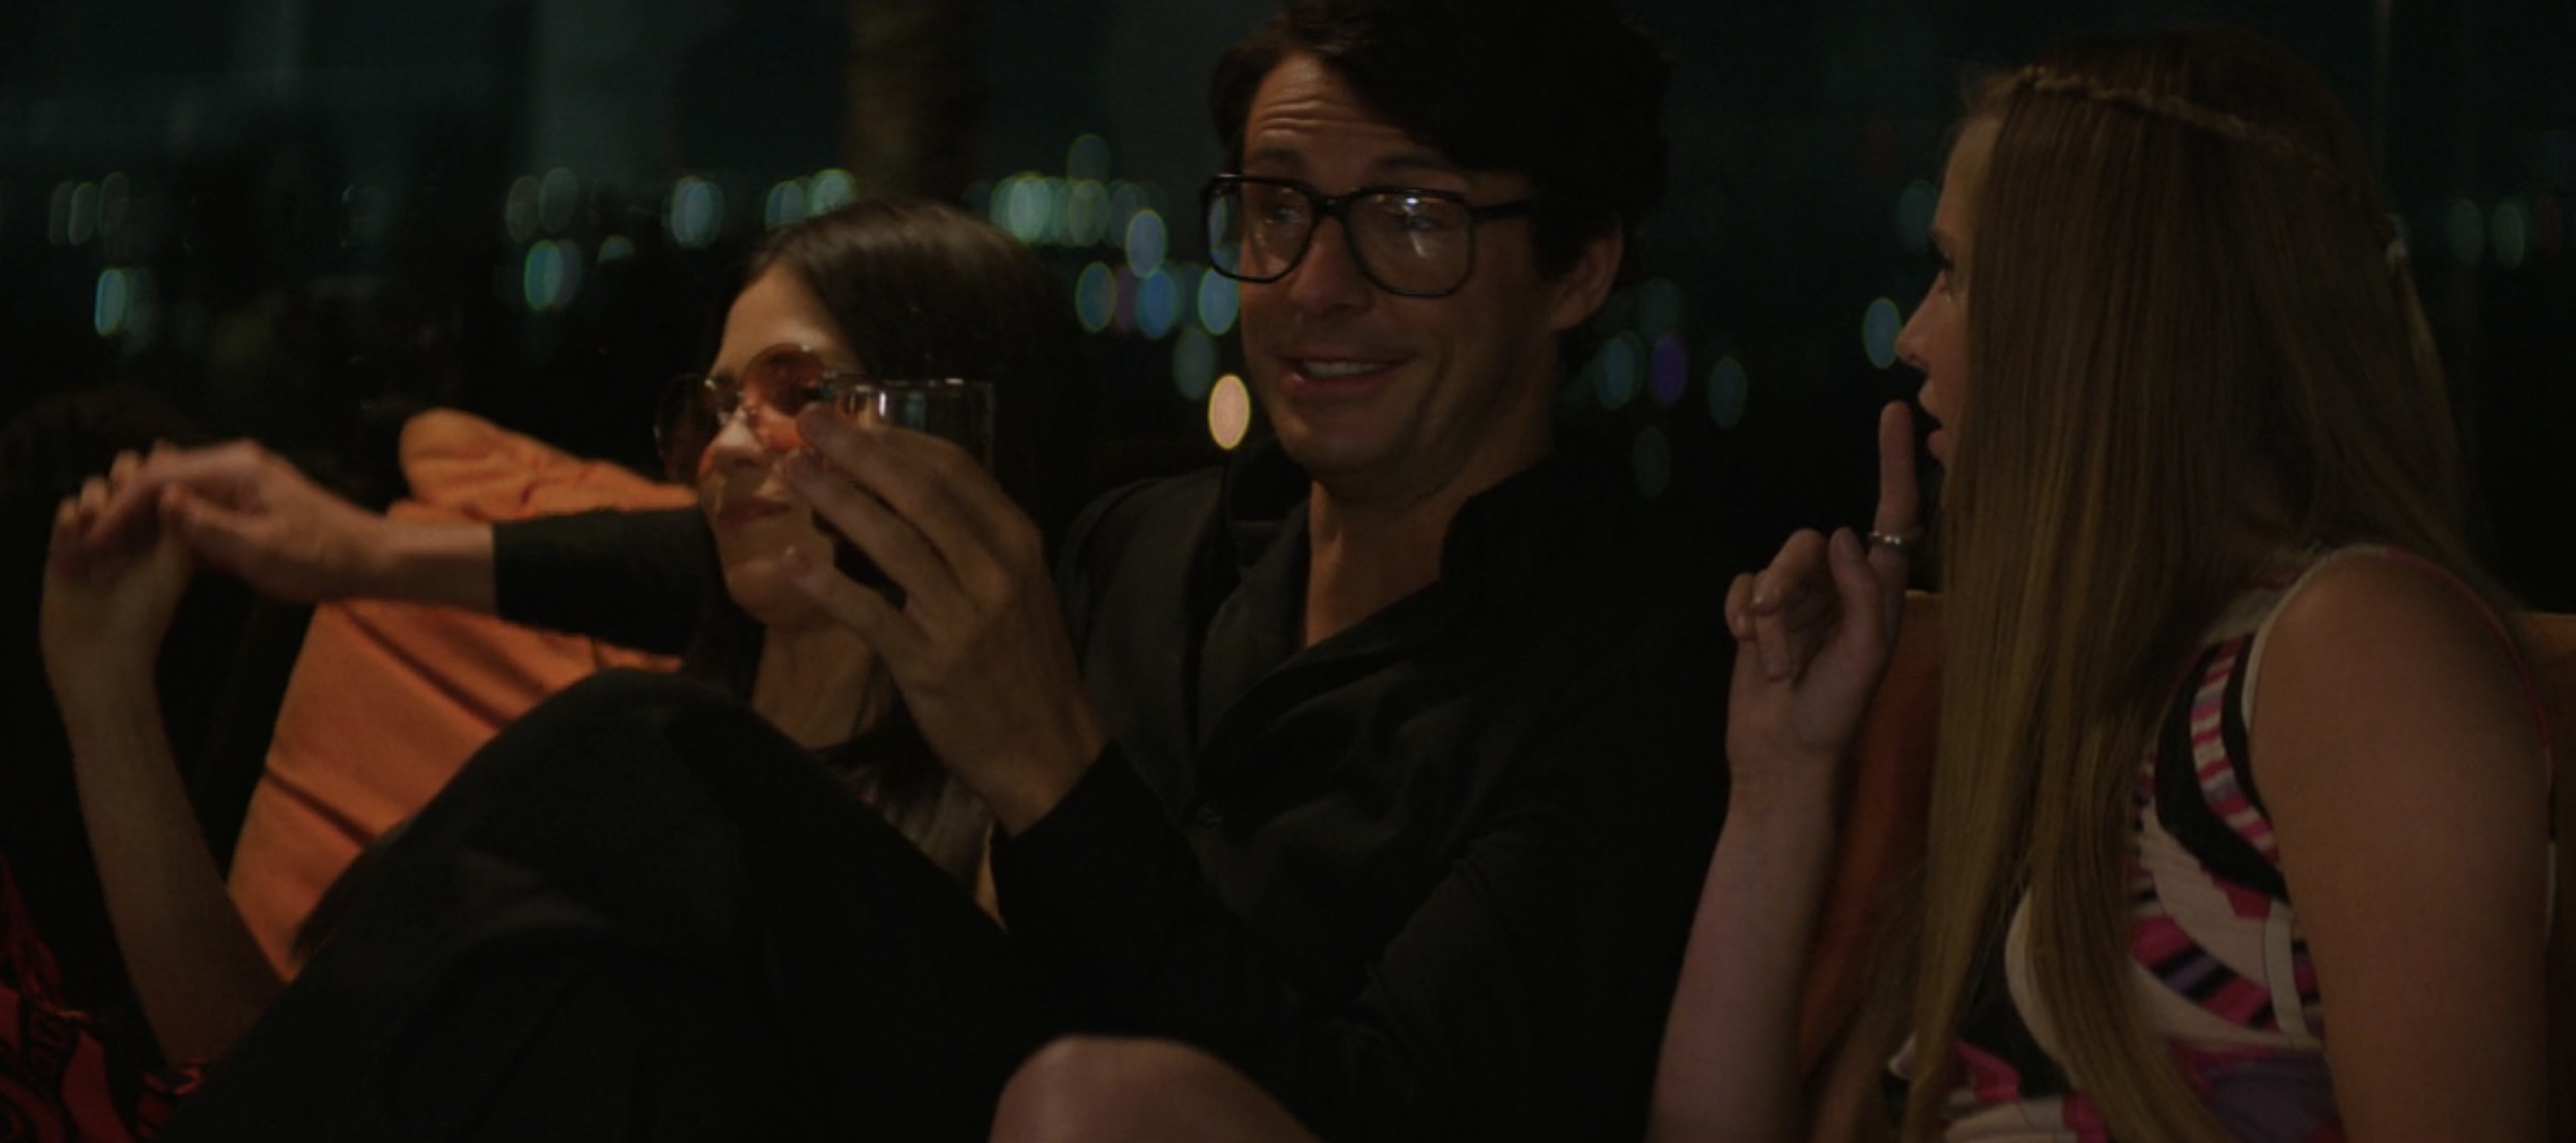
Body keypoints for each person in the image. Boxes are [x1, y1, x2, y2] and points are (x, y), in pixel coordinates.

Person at [68, 1, 1729, 1139]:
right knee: (605, 1011)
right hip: (921, 1073)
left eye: (1412, 217)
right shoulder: (1157, 544)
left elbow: (1379, 1111)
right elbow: (739, 544)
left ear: (1577, 267)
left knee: (646, 755)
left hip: (1122, 1108)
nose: (1314, 283)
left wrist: (1051, 773)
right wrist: (366, 551)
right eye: (1275, 211)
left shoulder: (1628, 667)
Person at [1649, 27, 2552, 1143]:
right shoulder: (2080, 691)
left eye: (1957, 274)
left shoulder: (2352, 651)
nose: (1916, 334)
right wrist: (1779, 776)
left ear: (2093, 319)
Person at [33, 198, 1075, 1073]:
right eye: (715, 404)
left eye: (795, 393)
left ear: (953, 421)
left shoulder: (1012, 836)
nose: (727, 445)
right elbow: (262, 1074)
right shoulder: (648, 772)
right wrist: (105, 687)